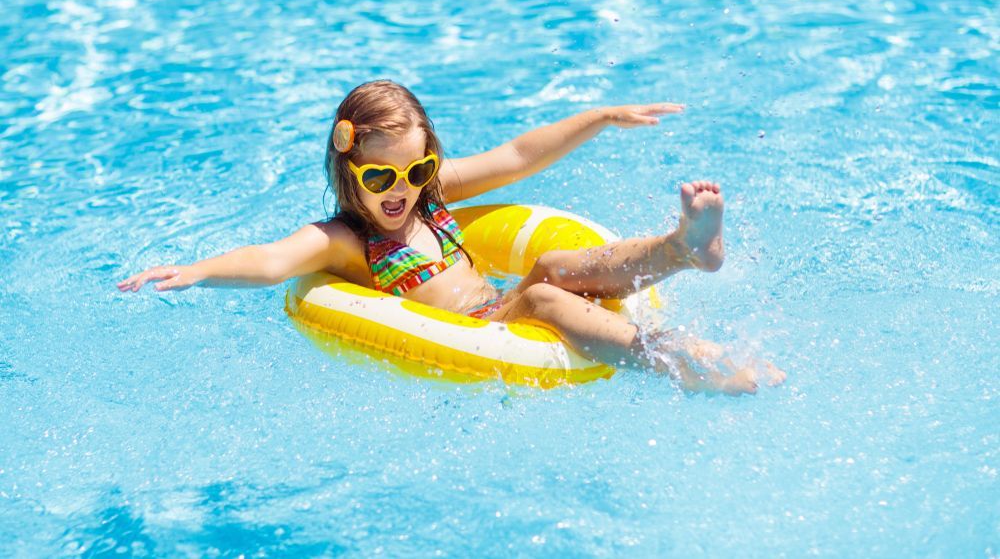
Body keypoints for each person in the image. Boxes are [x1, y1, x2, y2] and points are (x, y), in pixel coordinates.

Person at [118, 80, 784, 395]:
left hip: (499, 305)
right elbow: (271, 261)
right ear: (348, 171)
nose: (401, 190)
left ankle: (683, 247)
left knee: (554, 264)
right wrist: (195, 270)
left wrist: (601, 116)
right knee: (546, 297)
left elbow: (517, 156)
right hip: (481, 329)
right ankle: (692, 364)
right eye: (381, 177)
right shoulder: (346, 239)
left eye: (416, 170)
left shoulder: (429, 193)